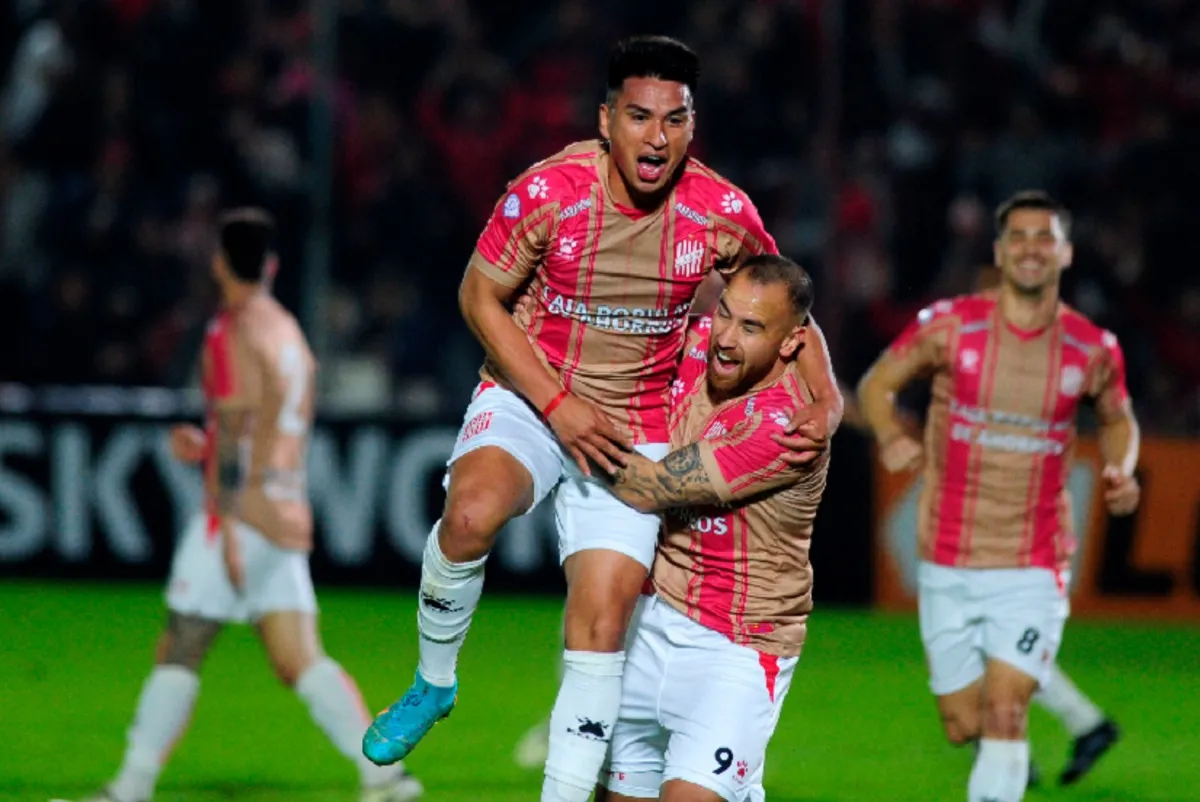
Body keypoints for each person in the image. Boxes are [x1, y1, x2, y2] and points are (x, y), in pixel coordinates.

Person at [362, 36, 843, 802]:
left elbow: (781, 300)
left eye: (675, 120)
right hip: (533, 395)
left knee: (604, 616)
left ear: (693, 125)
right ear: (606, 119)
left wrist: (827, 397)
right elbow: (476, 295)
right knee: (471, 515)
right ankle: (434, 681)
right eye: (640, 116)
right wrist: (556, 404)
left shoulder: (720, 211)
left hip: (636, 423)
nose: (657, 137)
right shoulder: (549, 190)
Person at [73, 210, 422, 802]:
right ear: (272, 266)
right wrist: (209, 446)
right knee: (298, 658)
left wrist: (227, 520)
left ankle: (129, 788)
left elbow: (235, 428)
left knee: (180, 644)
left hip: (240, 514)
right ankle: (384, 774)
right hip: (286, 509)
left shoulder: (228, 332)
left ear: (218, 264)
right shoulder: (288, 331)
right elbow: (273, 423)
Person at [856, 191, 1140, 802]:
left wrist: (1121, 469)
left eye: (1045, 238)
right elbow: (878, 383)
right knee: (966, 724)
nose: (1032, 249)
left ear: (1065, 252)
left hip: (1033, 560)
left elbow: (1118, 419)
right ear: (999, 250)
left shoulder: (1092, 346)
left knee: (1008, 709)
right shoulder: (952, 325)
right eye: (1019, 237)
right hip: (947, 558)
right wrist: (888, 435)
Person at [590, 254, 827, 802]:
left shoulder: (785, 427)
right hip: (649, 624)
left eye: (751, 328)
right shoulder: (695, 344)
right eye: (724, 314)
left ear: (792, 344)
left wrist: (568, 426)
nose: (725, 337)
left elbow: (647, 488)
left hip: (738, 649)